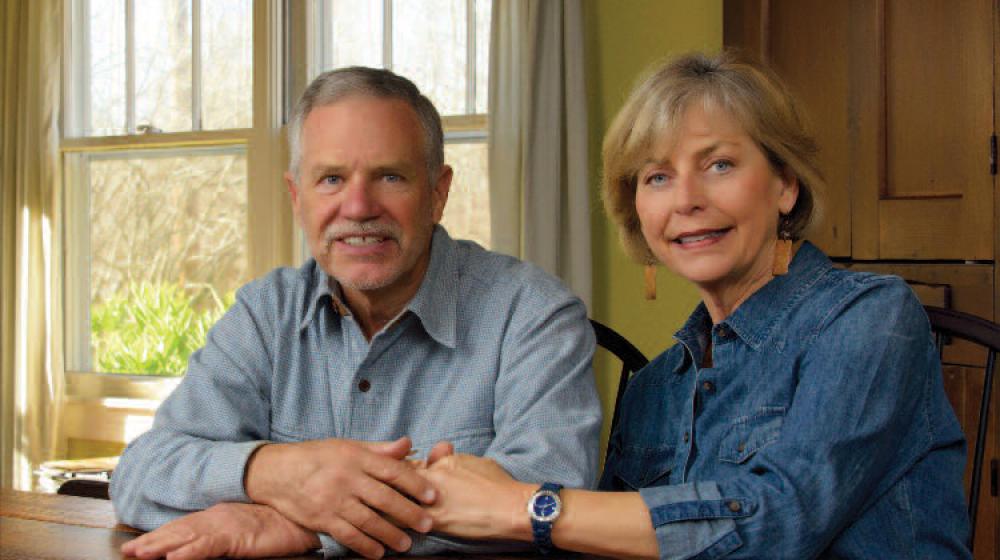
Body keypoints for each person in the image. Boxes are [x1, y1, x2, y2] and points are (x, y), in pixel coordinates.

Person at [415, 52, 972, 559]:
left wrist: (525, 504)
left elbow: (778, 522)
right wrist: (427, 497)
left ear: (785, 185)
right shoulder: (656, 386)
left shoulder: (870, 318)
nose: (687, 200)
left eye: (720, 165)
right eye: (658, 177)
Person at [111, 66, 602, 559]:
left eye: (390, 176)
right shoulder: (265, 314)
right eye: (331, 179)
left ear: (438, 193)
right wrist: (277, 473)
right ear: (297, 197)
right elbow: (140, 475)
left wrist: (303, 525)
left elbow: (546, 503)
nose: (359, 206)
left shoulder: (534, 314)